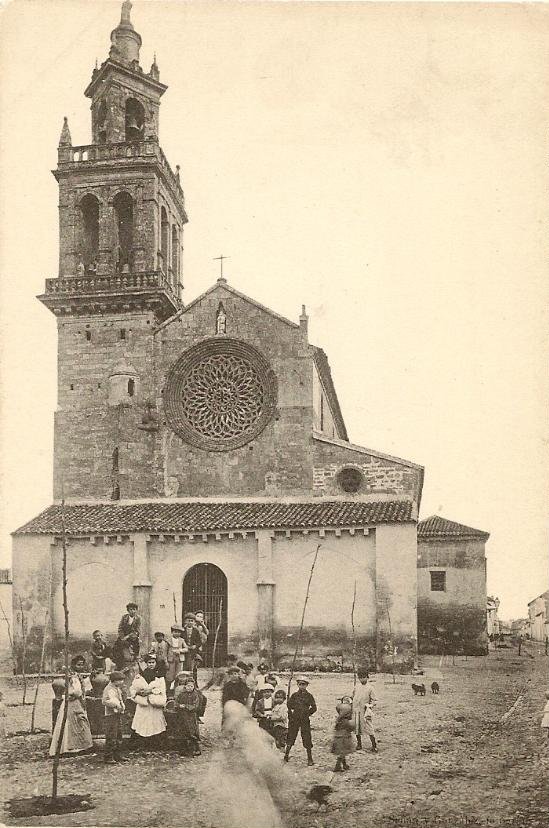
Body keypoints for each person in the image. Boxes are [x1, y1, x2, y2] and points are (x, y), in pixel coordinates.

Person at [49, 659, 93, 757]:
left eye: (82, 665)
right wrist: (75, 693)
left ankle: (81, 746)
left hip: (78, 702)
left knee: (81, 722)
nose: (80, 666)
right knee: (71, 723)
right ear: (73, 665)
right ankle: (68, 748)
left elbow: (83, 689)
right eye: (78, 665)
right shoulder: (71, 677)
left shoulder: (78, 676)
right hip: (71, 702)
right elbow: (73, 691)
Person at [129, 654, 167, 744]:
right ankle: (140, 743)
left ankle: (155, 743)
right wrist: (139, 692)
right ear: (146, 663)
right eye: (149, 663)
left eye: (153, 662)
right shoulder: (141, 675)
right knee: (142, 722)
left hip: (154, 703)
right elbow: (133, 688)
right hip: (144, 704)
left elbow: (162, 689)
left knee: (156, 722)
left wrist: (151, 691)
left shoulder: (160, 676)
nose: (151, 664)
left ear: (156, 663)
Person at [284, 676, 317, 766]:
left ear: (306, 685)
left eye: (304, 684)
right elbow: (289, 706)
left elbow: (314, 708)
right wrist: (291, 713)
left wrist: (307, 713)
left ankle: (310, 758)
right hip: (295, 719)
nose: (302, 686)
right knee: (291, 736)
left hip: (305, 720)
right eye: (300, 684)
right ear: (298, 685)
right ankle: (286, 755)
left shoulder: (309, 696)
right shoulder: (294, 695)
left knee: (307, 737)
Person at [102, 670, 127, 764]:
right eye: (119, 680)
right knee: (111, 735)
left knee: (119, 735)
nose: (122, 682)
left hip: (117, 714)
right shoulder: (108, 689)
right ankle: (108, 756)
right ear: (114, 680)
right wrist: (115, 705)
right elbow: (104, 701)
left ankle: (118, 755)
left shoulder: (117, 688)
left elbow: (120, 698)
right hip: (110, 715)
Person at [174, 673, 201, 756]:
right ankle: (184, 750)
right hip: (183, 716)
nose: (189, 688)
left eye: (191, 686)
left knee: (192, 732)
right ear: (185, 686)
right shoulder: (182, 694)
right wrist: (179, 705)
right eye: (188, 686)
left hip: (191, 716)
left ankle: (196, 749)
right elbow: (176, 703)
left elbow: (195, 706)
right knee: (183, 732)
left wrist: (186, 706)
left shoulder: (195, 695)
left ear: (194, 687)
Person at [352, 669, 378, 752]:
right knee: (357, 727)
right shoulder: (356, 687)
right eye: (360, 678)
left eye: (364, 677)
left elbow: (374, 700)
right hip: (356, 710)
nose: (362, 679)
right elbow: (353, 697)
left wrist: (369, 706)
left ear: (367, 677)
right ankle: (359, 744)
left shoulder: (370, 688)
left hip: (365, 711)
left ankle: (374, 745)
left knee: (369, 728)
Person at [331, 702, 356, 772]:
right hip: (344, 738)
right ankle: (337, 765)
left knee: (342, 752)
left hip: (337, 738)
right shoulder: (347, 722)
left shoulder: (338, 720)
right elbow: (352, 728)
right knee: (343, 753)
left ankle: (344, 765)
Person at [165, 624, 188, 695]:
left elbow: (186, 649)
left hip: (179, 659)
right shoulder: (168, 640)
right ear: (172, 632)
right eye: (175, 632)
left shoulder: (182, 640)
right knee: (170, 675)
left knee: (178, 675)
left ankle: (176, 691)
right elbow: (165, 651)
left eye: (178, 632)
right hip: (171, 660)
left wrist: (180, 650)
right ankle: (168, 691)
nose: (177, 633)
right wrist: (166, 661)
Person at [182, 613, 203, 680]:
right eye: (188, 620)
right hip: (184, 651)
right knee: (184, 667)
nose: (190, 622)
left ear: (194, 622)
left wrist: (195, 646)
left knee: (193, 668)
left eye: (192, 621)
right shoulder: (182, 630)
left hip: (193, 652)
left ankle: (194, 683)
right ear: (185, 621)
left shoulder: (196, 631)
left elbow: (200, 642)